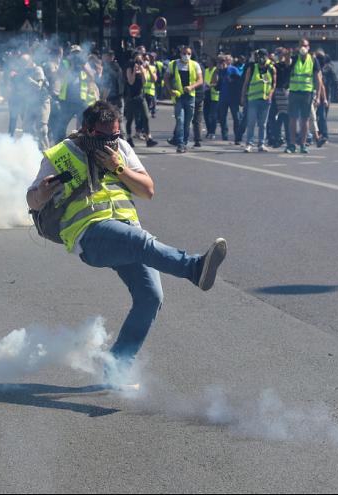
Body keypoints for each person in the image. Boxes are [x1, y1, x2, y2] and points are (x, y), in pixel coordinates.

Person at [25, 101, 227, 385]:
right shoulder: (61, 154)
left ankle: (116, 368)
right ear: (85, 130)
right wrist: (42, 193)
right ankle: (194, 268)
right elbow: (31, 200)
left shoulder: (120, 150)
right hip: (90, 234)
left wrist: (120, 169)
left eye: (115, 136)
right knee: (141, 241)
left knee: (150, 298)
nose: (110, 143)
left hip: (125, 230)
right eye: (104, 137)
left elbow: (148, 191)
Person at [288, 38, 325, 154]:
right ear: (298, 47)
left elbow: (318, 79)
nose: (303, 48)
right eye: (301, 45)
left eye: (305, 45)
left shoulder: (313, 60)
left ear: (309, 47)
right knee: (293, 119)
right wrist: (288, 55)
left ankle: (303, 145)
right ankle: (292, 144)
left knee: (305, 120)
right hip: (294, 92)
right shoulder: (293, 59)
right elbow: (286, 67)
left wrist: (318, 96)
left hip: (307, 93)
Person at [53, 45, 97, 142]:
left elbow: (92, 77)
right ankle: (59, 146)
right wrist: (71, 66)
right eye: (74, 53)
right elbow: (60, 75)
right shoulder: (65, 63)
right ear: (70, 54)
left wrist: (83, 66)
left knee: (87, 125)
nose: (76, 56)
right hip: (67, 101)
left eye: (78, 53)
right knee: (61, 126)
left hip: (81, 101)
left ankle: (87, 145)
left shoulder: (84, 63)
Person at [165, 45, 203, 153]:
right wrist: (170, 90)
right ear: (180, 53)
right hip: (178, 96)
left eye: (189, 54)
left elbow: (200, 80)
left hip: (190, 96)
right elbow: (166, 78)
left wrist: (191, 87)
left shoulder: (195, 65)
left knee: (187, 122)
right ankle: (180, 144)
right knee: (180, 120)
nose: (186, 55)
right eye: (184, 53)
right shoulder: (173, 64)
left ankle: (184, 142)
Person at [240, 49, 276, 152]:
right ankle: (249, 144)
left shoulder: (271, 68)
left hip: (265, 99)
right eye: (260, 56)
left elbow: (274, 84)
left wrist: (270, 94)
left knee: (263, 123)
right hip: (253, 99)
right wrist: (242, 96)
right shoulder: (252, 68)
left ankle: (261, 144)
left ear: (267, 56)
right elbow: (246, 83)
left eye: (263, 56)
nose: (261, 58)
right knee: (251, 122)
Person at [124, 52, 159, 148]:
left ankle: (148, 139)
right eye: (137, 60)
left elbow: (144, 82)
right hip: (131, 97)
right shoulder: (129, 68)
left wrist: (143, 70)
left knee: (146, 117)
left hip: (140, 96)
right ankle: (129, 138)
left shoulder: (142, 68)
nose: (139, 62)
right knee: (130, 119)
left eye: (140, 60)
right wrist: (134, 71)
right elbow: (130, 82)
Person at [216, 54, 243, 145]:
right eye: (220, 62)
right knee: (222, 118)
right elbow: (219, 82)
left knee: (236, 118)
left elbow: (240, 81)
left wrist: (233, 81)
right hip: (223, 97)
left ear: (227, 62)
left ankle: (237, 136)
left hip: (233, 98)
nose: (221, 64)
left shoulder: (233, 69)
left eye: (223, 62)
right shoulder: (220, 71)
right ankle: (225, 135)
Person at [202, 55, 221, 141]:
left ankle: (212, 132)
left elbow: (216, 82)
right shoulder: (205, 70)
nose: (206, 61)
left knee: (213, 115)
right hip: (206, 94)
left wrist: (210, 85)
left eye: (208, 60)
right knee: (206, 114)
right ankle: (209, 131)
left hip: (214, 95)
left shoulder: (216, 70)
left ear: (212, 62)